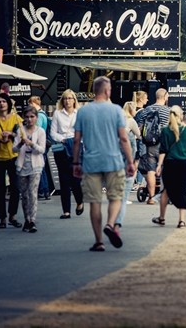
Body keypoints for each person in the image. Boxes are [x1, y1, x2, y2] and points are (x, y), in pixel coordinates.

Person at [72, 76, 135, 251]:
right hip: (113, 161)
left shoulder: (83, 112)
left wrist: (76, 163)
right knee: (115, 197)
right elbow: (124, 138)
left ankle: (99, 241)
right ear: (107, 91)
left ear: (94, 90)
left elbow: (77, 140)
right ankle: (109, 224)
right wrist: (130, 162)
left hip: (91, 163)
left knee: (95, 202)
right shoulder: (116, 110)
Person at [151, 106, 186, 228]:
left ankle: (162, 218)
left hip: (170, 164)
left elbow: (163, 150)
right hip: (184, 164)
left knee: (166, 191)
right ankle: (181, 220)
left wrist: (159, 165)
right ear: (181, 115)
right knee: (183, 191)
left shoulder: (166, 131)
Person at [0, 94, 23, 229]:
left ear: (8, 104)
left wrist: (11, 134)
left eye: (3, 101)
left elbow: (22, 135)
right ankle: (2, 218)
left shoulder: (16, 119)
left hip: (13, 156)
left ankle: (12, 215)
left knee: (15, 188)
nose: (1, 104)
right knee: (0, 189)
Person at [13, 106, 47, 233]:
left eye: (32, 116)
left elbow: (42, 150)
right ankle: (26, 219)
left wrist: (32, 143)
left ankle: (32, 220)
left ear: (36, 118)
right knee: (25, 194)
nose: (29, 119)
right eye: (27, 117)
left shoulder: (40, 131)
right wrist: (21, 143)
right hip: (22, 164)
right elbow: (14, 149)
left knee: (33, 193)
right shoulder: (20, 130)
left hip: (35, 165)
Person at [51, 89, 83, 219]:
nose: (67, 101)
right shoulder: (57, 114)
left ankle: (80, 201)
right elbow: (53, 133)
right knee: (63, 180)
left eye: (70, 98)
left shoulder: (79, 113)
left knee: (76, 180)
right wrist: (62, 139)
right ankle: (66, 211)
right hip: (62, 147)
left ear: (74, 100)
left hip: (76, 147)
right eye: (65, 98)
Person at [135, 88, 171, 205]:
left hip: (149, 145)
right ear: (165, 96)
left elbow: (139, 127)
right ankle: (164, 197)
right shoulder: (168, 111)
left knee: (150, 170)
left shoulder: (146, 110)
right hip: (164, 145)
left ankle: (151, 197)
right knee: (165, 170)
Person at [116, 101, 142, 229]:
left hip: (116, 149)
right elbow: (139, 135)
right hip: (128, 150)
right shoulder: (131, 121)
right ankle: (124, 197)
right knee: (130, 172)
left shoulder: (119, 119)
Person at [28, 96, 51, 200]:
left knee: (38, 168)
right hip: (43, 144)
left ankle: (42, 190)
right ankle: (45, 191)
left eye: (30, 104)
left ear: (33, 103)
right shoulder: (43, 114)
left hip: (39, 144)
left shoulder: (40, 116)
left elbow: (37, 130)